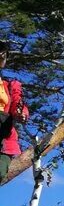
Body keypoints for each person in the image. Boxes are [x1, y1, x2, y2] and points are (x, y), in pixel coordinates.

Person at [0, 42, 26, 182]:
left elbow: (18, 102)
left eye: (4, 55)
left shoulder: (9, 86)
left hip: (4, 135)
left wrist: (20, 113)